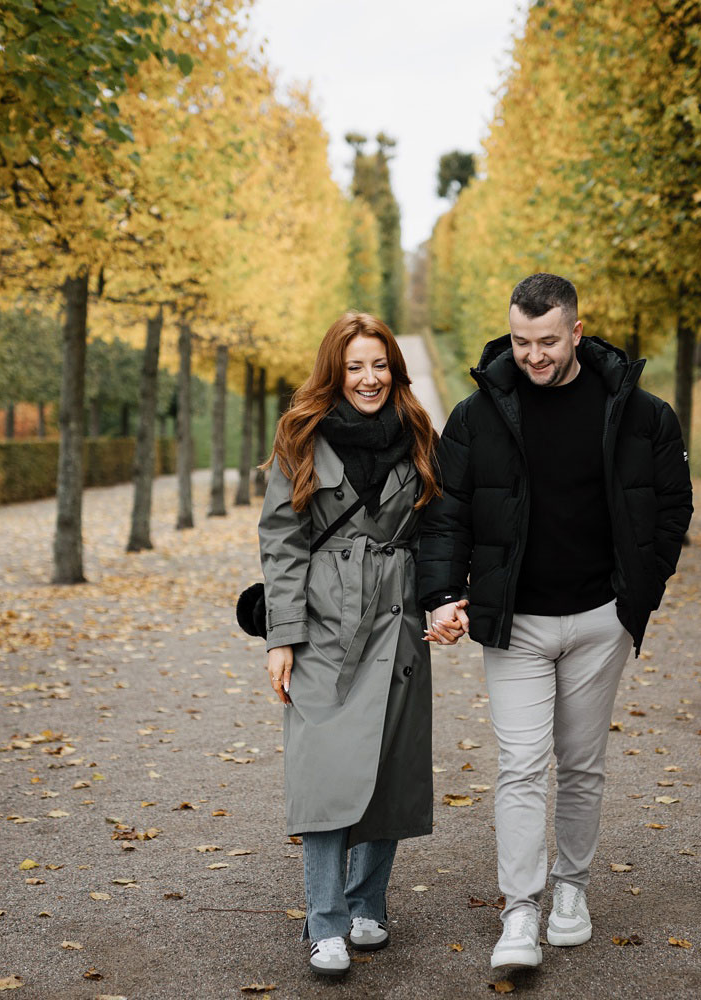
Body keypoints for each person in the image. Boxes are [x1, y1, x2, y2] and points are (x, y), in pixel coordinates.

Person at [416, 273, 693, 971]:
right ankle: (519, 910)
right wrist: (445, 593)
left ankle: (571, 889)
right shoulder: (475, 417)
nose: (533, 355)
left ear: (576, 330)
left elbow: (671, 507)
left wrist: (641, 594)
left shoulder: (643, 414)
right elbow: (447, 512)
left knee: (581, 766)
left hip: (602, 619)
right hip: (517, 623)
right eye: (520, 341)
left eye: (546, 341)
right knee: (518, 765)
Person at [258, 312, 463, 979]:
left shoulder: (420, 435)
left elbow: (438, 530)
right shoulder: (301, 437)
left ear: (394, 371)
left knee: (389, 764)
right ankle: (325, 923)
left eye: (379, 365)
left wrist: (443, 600)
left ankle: (367, 901)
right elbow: (282, 544)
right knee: (323, 769)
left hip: (398, 616)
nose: (369, 378)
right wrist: (281, 637)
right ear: (334, 373)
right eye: (355, 367)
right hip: (323, 620)